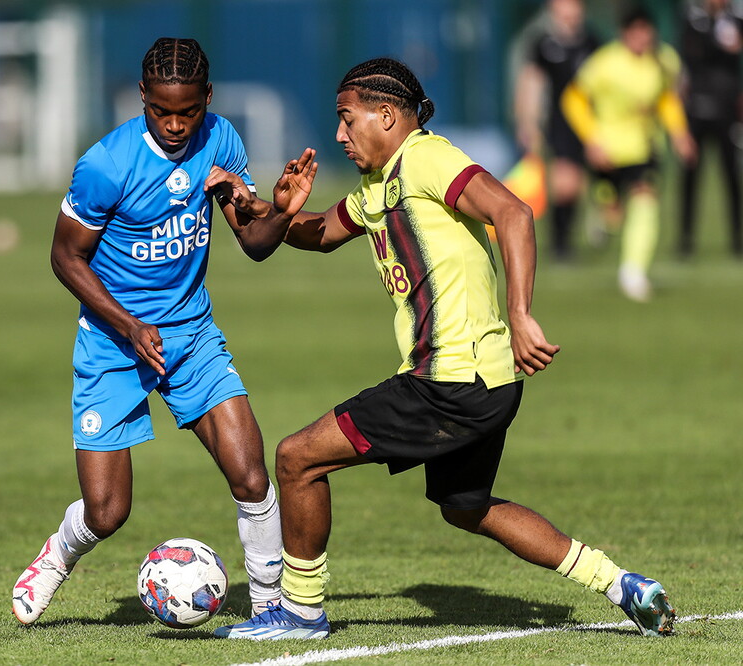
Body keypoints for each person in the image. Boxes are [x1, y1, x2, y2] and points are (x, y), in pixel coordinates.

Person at [209, 57, 676, 640]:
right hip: (487, 381)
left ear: (386, 115)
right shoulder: (379, 182)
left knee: (298, 457)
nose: (338, 135)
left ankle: (300, 614)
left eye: (346, 120)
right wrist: (273, 209)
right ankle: (621, 584)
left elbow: (513, 212)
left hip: (449, 380)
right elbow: (322, 234)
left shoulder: (427, 157)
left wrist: (522, 312)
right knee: (465, 505)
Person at [11, 37, 314, 625]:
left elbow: (253, 246)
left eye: (188, 111)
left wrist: (277, 211)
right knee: (107, 512)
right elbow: (64, 258)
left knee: (251, 475)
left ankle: (272, 610)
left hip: (191, 334)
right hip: (111, 343)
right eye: (161, 111)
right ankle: (56, 557)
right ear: (142, 98)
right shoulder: (105, 164)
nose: (175, 125)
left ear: (207, 99)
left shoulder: (221, 139)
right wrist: (128, 324)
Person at [561, 7, 697, 301]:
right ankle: (602, 216)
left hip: (644, 148)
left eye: (647, 30)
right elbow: (573, 99)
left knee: (646, 198)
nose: (642, 37)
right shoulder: (605, 63)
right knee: (613, 216)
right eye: (636, 31)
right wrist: (592, 139)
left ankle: (633, 272)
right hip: (608, 150)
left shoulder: (664, 61)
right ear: (624, 33)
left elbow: (666, 99)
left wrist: (680, 133)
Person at [514, 0, 600, 260]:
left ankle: (597, 218)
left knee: (586, 183)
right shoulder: (543, 44)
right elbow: (531, 83)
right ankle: (561, 243)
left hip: (592, 122)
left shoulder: (593, 43)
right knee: (565, 182)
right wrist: (527, 122)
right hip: (560, 122)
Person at [678, 0, 743, 259]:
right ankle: (685, 238)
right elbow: (694, 52)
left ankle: (736, 237)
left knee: (731, 175)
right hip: (697, 108)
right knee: (691, 175)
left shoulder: (735, 17)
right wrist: (720, 43)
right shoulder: (693, 20)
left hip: (727, 110)